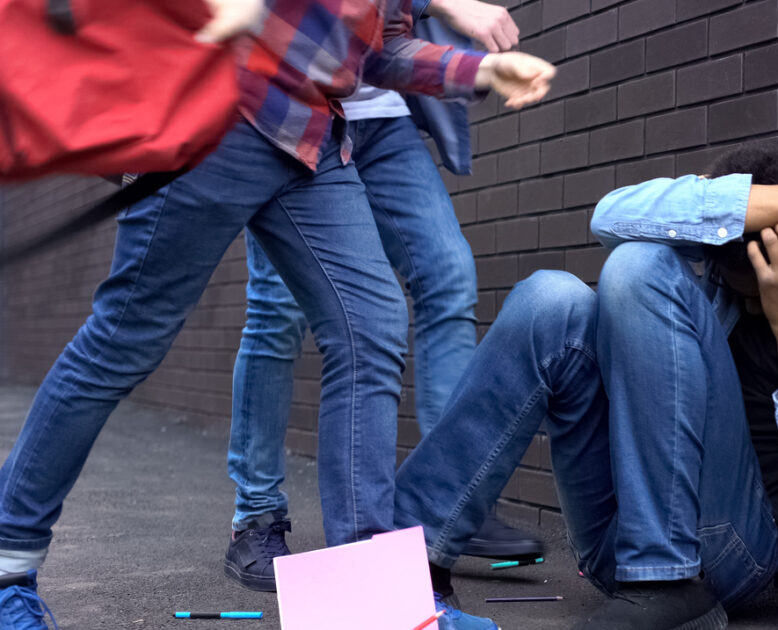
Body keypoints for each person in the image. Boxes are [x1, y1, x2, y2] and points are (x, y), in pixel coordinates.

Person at [0, 0, 554, 627]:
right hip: (213, 123)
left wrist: (476, 69)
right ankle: (7, 565)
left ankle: (373, 599)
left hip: (309, 139)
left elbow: (371, 49)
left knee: (371, 328)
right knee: (121, 345)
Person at [381, 144, 778, 629]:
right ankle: (406, 561)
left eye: (760, 291)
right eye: (738, 288)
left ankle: (666, 579)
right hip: (618, 544)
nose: (750, 305)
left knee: (639, 267)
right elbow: (609, 214)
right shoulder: (731, 249)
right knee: (549, 298)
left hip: (734, 556)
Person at [223, 0, 541, 597]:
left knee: (447, 273)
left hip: (382, 111)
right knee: (278, 310)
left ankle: (449, 495)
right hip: (290, 107)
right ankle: (257, 514)